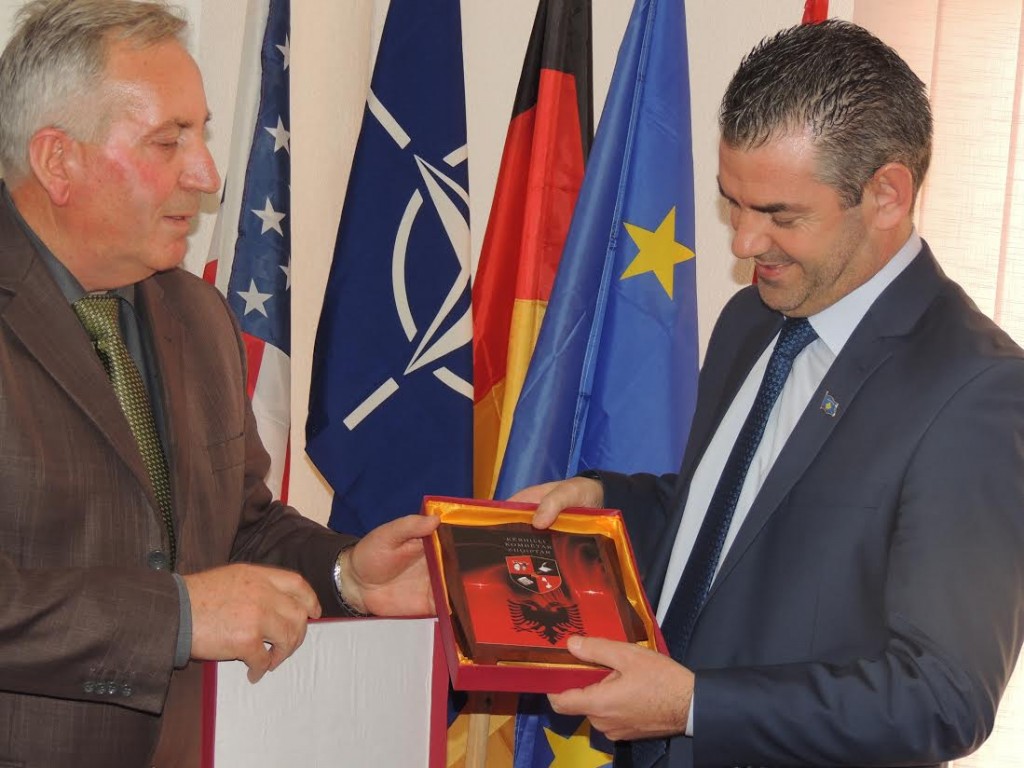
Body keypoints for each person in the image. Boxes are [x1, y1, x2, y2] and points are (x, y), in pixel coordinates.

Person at [514, 19, 1024, 768]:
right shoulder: (752, 318)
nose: (743, 244)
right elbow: (731, 519)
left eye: (781, 216)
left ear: (886, 194)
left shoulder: (977, 391)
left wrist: (694, 706)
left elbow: (943, 696)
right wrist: (608, 503)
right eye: (734, 204)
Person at [0, 1, 438, 766]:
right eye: (168, 140)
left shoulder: (196, 314)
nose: (207, 174)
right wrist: (175, 616)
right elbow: (184, 600)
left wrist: (348, 576)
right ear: (57, 161)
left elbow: (237, 526)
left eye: (202, 133)